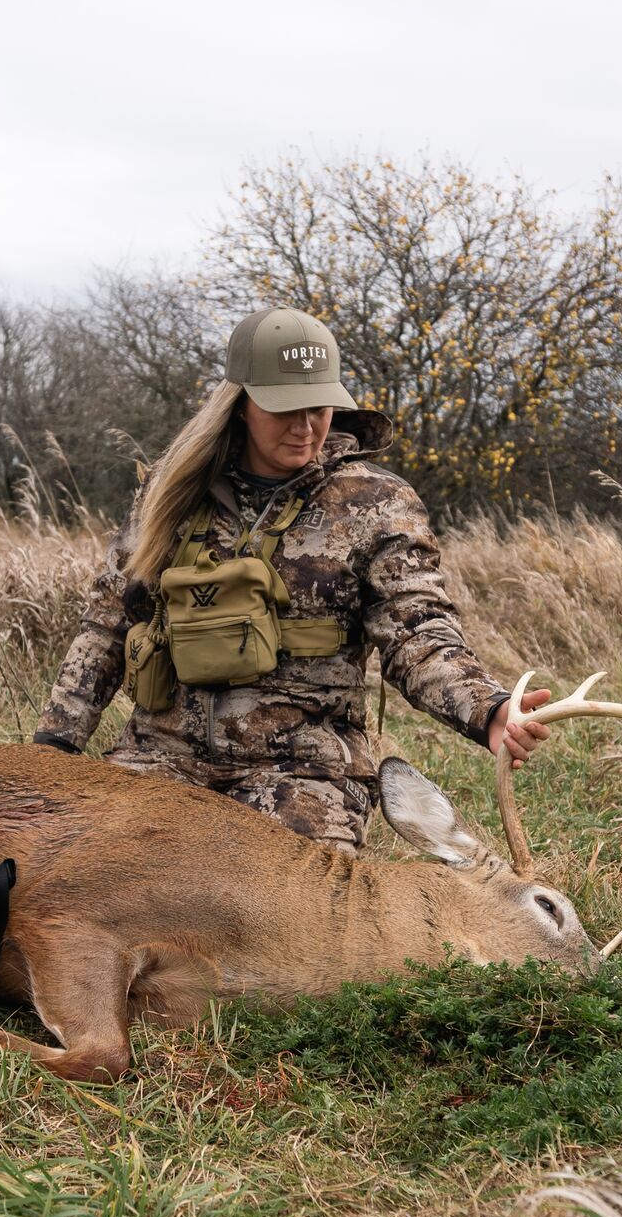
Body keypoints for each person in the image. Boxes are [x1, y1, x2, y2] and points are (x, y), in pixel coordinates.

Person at [33, 307, 554, 847]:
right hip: (160, 758)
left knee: (289, 917)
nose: (305, 426)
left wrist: (487, 709)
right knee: (91, 883)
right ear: (239, 405)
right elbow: (108, 625)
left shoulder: (376, 503)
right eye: (284, 408)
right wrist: (53, 749)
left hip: (304, 773)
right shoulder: (171, 493)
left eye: (319, 406)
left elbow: (417, 630)